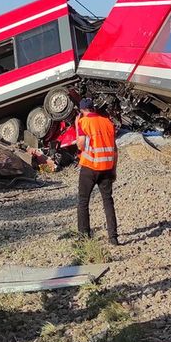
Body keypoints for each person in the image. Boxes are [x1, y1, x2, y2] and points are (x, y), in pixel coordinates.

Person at [74, 96, 120, 244]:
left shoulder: (83, 122)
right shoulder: (107, 122)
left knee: (83, 201)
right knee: (108, 201)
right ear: (93, 108)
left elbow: (80, 145)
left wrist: (76, 126)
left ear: (82, 110)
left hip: (89, 167)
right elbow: (115, 149)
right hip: (106, 167)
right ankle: (113, 238)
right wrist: (114, 169)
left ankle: (84, 236)